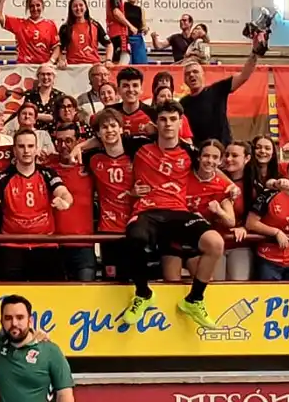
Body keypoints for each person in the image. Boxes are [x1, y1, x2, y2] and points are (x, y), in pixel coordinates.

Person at [75, 102, 225, 328]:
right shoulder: (139, 144)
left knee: (215, 243)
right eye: (163, 119)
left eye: (172, 119)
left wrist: (230, 186)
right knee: (135, 239)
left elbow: (212, 167)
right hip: (147, 211)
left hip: (178, 212)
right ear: (156, 123)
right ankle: (143, 294)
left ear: (180, 122)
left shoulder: (190, 151)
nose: (168, 124)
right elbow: (108, 138)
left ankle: (194, 299)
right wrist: (79, 147)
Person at [0, 129, 74, 282]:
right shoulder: (4, 176)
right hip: (12, 246)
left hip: (45, 245)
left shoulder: (47, 173)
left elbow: (64, 193)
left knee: (53, 292)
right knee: (5, 292)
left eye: (30, 146)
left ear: (36, 149)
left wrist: (65, 202)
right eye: (21, 146)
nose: (26, 151)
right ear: (14, 150)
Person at [178, 32, 264, 145]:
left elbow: (244, 75)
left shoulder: (217, 90)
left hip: (223, 149)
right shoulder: (183, 103)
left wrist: (255, 53)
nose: (192, 75)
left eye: (195, 72)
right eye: (188, 74)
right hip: (200, 153)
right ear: (185, 80)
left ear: (203, 75)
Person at [84, 110, 135, 281]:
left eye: (113, 126)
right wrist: (78, 147)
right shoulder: (92, 159)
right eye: (104, 127)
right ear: (98, 133)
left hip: (135, 227)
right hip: (108, 228)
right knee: (111, 279)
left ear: (121, 129)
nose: (110, 130)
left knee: (135, 277)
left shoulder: (136, 155)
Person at [245, 155, 289, 281]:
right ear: (287, 171)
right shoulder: (269, 193)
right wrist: (276, 232)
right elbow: (251, 223)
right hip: (267, 258)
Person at [183, 140, 239, 282]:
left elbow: (231, 221)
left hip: (204, 245)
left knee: (207, 282)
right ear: (199, 157)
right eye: (206, 156)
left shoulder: (223, 186)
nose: (210, 161)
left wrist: (218, 210)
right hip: (180, 239)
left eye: (215, 157)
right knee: (171, 281)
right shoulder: (184, 178)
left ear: (220, 161)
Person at [51, 122, 97, 281]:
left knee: (86, 293)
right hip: (53, 244)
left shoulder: (90, 165)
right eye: (59, 141)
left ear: (78, 141)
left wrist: (81, 148)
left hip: (83, 244)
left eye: (69, 140)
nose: (63, 145)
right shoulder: (47, 167)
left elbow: (109, 139)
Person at [113, 67, 191, 140]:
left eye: (135, 85)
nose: (131, 89)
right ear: (118, 89)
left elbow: (171, 141)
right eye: (125, 86)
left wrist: (157, 132)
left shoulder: (154, 114)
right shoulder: (110, 112)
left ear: (141, 89)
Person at [0, 0, 59, 64]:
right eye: (32, 6)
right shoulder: (20, 24)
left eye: (38, 5)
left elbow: (57, 47)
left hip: (43, 67)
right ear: (28, 8)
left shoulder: (50, 25)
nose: (35, 8)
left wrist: (50, 62)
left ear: (42, 6)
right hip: (24, 66)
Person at [219, 141, 255, 281]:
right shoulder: (214, 179)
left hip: (240, 245)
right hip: (215, 244)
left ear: (247, 158)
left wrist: (245, 227)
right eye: (226, 155)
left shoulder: (253, 185)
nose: (229, 159)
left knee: (238, 286)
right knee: (214, 287)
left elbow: (260, 217)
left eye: (235, 155)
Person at [57, 0, 111, 67]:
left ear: (86, 7)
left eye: (81, 5)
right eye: (75, 6)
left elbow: (109, 44)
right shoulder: (65, 28)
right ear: (71, 9)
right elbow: (59, 47)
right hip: (73, 67)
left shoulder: (95, 25)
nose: (78, 8)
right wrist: (61, 60)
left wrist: (108, 60)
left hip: (93, 66)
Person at [21, 64, 65, 128]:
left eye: (49, 74)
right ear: (38, 77)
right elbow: (26, 115)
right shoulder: (30, 95)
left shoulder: (60, 96)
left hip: (55, 132)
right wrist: (48, 117)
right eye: (42, 74)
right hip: (33, 131)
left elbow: (60, 117)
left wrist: (35, 115)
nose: (45, 77)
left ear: (54, 77)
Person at [105, 0, 133, 64]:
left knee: (116, 59)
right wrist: (130, 26)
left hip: (114, 32)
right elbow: (116, 12)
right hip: (119, 32)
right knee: (124, 57)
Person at [123, 0, 148, 65]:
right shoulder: (122, 7)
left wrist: (146, 29)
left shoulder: (140, 10)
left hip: (138, 39)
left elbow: (143, 25)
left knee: (141, 64)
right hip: (125, 38)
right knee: (127, 65)